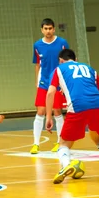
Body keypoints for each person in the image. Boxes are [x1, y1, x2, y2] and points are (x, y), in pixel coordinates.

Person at [45, 49, 99, 184]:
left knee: (64, 143)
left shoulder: (59, 69)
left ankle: (66, 164)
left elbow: (50, 93)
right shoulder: (89, 69)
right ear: (75, 58)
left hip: (78, 106)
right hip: (97, 105)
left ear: (61, 60)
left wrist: (49, 116)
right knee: (97, 137)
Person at [31, 18, 69, 154]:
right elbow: (37, 64)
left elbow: (67, 61)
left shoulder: (62, 43)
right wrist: (37, 81)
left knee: (57, 111)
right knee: (40, 111)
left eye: (50, 28)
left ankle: (59, 142)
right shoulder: (37, 45)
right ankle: (36, 144)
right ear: (42, 30)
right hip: (44, 82)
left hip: (58, 82)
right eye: (45, 28)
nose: (48, 31)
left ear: (54, 29)